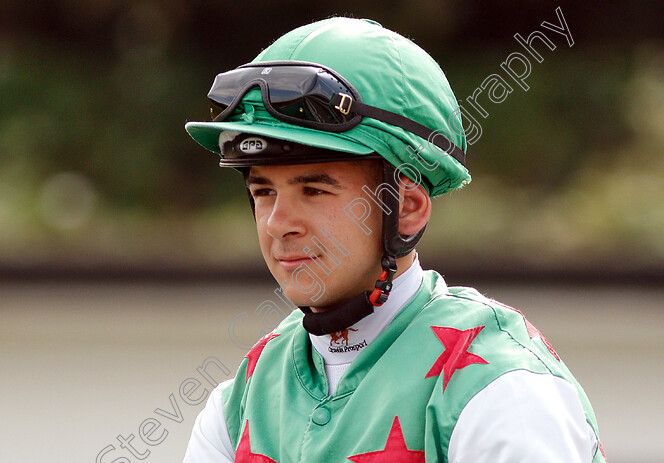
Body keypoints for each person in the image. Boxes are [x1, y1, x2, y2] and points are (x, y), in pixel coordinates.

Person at [182, 17, 606, 462]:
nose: (276, 223)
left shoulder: (503, 389)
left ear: (407, 208)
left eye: (314, 190)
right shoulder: (239, 401)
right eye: (263, 191)